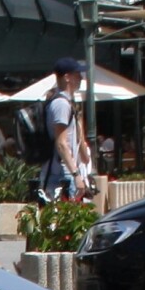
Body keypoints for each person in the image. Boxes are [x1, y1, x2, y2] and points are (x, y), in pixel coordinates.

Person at [40, 58, 92, 199]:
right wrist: (76, 174)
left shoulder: (66, 102)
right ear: (67, 77)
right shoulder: (61, 104)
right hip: (62, 173)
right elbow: (61, 143)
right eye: (77, 74)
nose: (81, 78)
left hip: (63, 171)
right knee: (64, 218)